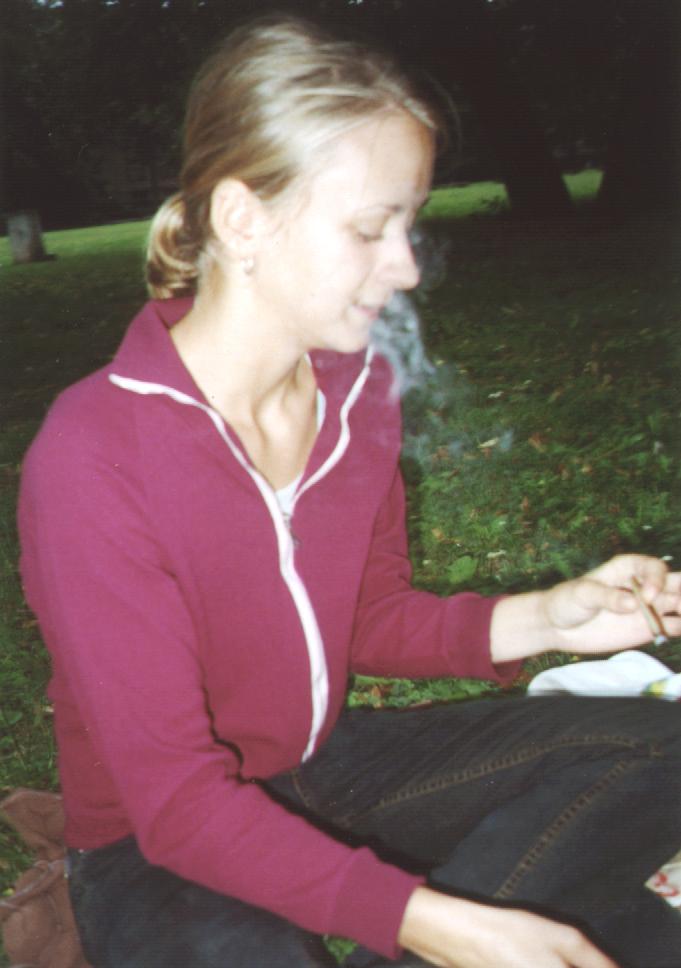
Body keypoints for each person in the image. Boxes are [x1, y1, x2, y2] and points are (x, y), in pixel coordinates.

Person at [17, 15, 681, 968]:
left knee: (662, 750)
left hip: (317, 766)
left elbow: (367, 618)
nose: (404, 266)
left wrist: (550, 618)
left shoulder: (359, 389)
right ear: (243, 219)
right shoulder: (94, 457)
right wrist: (436, 921)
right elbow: (177, 807)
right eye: (370, 228)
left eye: (407, 226)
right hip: (149, 843)